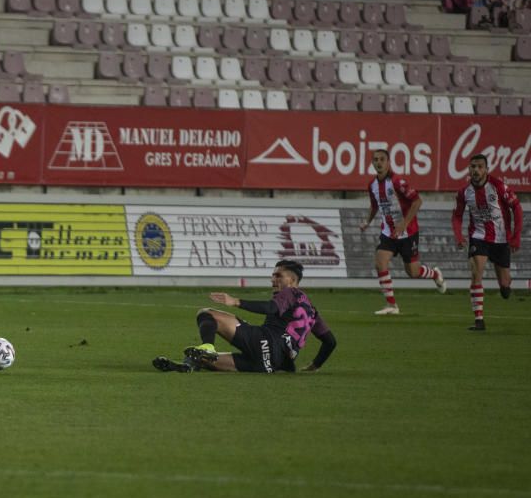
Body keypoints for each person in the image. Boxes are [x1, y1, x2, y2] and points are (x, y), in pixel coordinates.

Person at [152, 260, 337, 374]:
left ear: (293, 281)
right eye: (272, 275)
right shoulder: (312, 310)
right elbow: (330, 342)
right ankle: (186, 366)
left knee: (206, 313)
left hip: (266, 342)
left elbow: (270, 307)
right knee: (206, 359)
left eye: (278, 275)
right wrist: (315, 365)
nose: (273, 279)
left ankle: (208, 345)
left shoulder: (290, 293)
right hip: (273, 364)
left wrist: (236, 301)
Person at [359, 149, 446, 315]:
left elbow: (417, 201)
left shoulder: (397, 181)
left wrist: (403, 224)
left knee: (413, 272)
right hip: (388, 233)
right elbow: (375, 206)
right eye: (375, 159)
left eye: (382, 159)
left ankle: (434, 273)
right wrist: (366, 222)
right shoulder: (372, 185)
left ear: (388, 162)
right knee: (380, 262)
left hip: (408, 233)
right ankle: (392, 305)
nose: (378, 162)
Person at [451, 153, 523, 331]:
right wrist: (459, 236)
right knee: (476, 273)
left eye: (479, 167)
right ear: (469, 169)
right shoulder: (464, 192)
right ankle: (479, 321)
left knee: (504, 285)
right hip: (479, 237)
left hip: (501, 239)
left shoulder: (498, 186)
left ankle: (505, 288)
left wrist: (516, 235)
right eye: (473, 166)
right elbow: (457, 216)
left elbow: (517, 207)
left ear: (486, 169)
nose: (476, 170)